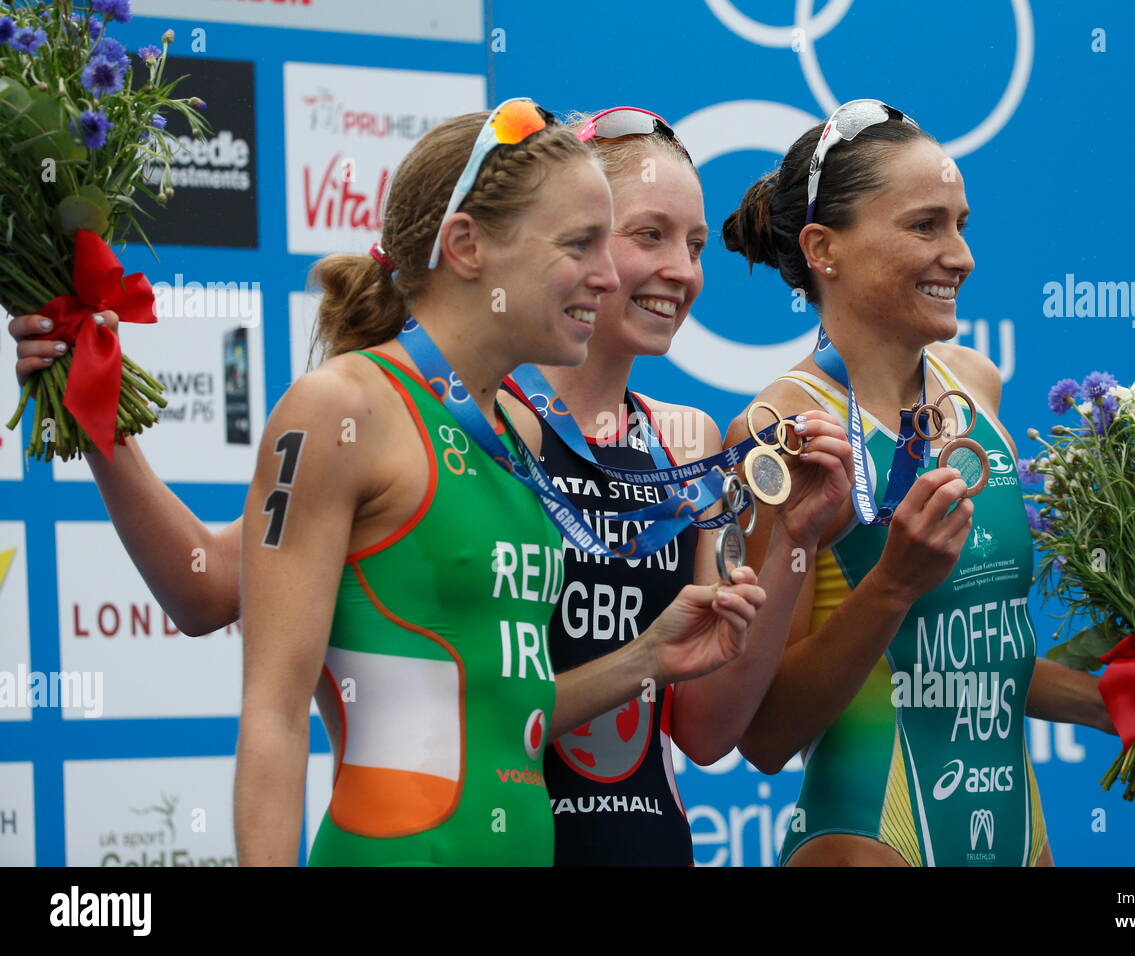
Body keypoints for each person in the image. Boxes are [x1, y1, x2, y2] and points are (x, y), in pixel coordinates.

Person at [16, 100, 770, 866]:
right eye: (583, 244)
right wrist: (103, 428)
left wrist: (644, 659)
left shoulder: (519, 433)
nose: (607, 276)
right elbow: (270, 710)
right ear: (468, 246)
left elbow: (498, 713)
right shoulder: (342, 408)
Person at [722, 99, 1135, 867]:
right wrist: (890, 585)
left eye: (961, 223)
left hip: (1022, 834)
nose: (961, 255)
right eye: (925, 226)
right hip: (869, 836)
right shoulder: (781, 429)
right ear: (824, 248)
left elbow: (967, 657)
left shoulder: (977, 385)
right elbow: (764, 734)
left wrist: (1114, 695)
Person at [496, 107, 852, 865]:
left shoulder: (688, 442)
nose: (683, 271)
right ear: (576, 236)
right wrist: (640, 660)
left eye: (693, 245)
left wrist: (791, 536)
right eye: (650, 235)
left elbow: (707, 730)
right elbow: (466, 712)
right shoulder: (488, 424)